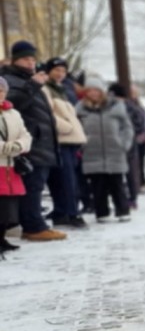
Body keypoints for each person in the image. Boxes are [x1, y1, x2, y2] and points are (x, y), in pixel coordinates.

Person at [0, 40, 64, 241]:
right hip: (28, 144)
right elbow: (14, 104)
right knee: (32, 187)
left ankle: (34, 223)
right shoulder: (9, 79)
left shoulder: (30, 79)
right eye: (26, 59)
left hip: (39, 142)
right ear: (15, 60)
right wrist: (34, 85)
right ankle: (33, 226)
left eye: (33, 59)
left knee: (36, 185)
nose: (31, 63)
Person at [75, 77, 134, 222]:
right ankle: (102, 212)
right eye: (90, 90)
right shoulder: (79, 108)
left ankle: (123, 210)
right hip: (92, 152)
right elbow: (77, 128)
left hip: (115, 150)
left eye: (97, 90)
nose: (94, 93)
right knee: (98, 185)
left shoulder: (116, 106)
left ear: (102, 92)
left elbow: (127, 127)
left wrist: (124, 143)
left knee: (117, 184)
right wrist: (82, 144)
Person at [43, 57, 88, 229]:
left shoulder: (62, 89)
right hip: (62, 139)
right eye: (56, 70)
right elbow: (49, 114)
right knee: (66, 180)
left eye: (63, 71)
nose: (60, 74)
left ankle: (63, 211)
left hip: (71, 140)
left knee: (67, 179)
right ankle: (70, 213)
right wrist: (67, 128)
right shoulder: (46, 89)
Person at [0, 76, 32, 254]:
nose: (0, 94)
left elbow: (25, 135)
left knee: (8, 207)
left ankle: (2, 238)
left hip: (11, 167)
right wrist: (8, 147)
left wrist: (20, 145)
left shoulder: (13, 113)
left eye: (2, 90)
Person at [109, 83, 145, 210]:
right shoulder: (128, 106)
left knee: (129, 172)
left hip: (128, 143)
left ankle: (131, 197)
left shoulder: (127, 107)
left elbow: (139, 123)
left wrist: (130, 134)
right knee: (127, 172)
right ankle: (127, 197)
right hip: (119, 143)